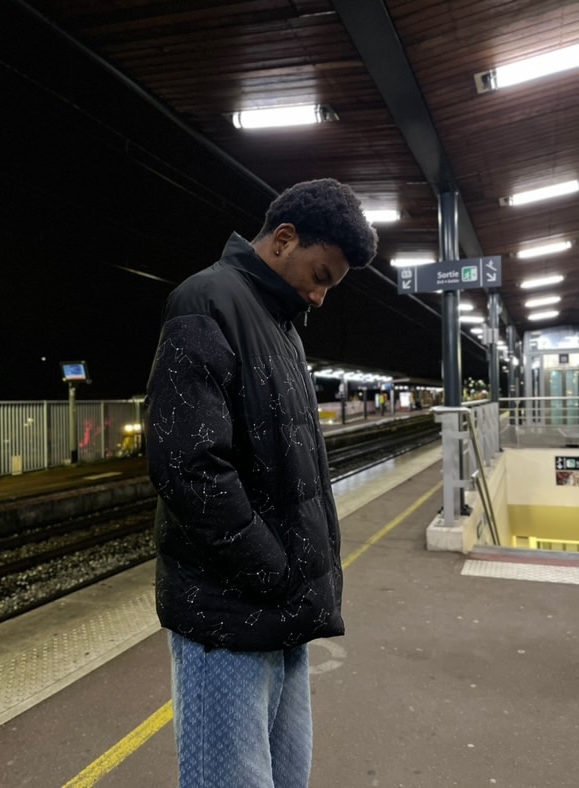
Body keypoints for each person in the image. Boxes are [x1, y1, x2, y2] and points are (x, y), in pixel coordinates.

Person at [144, 178, 378, 788]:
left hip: (283, 609)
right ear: (284, 239)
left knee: (286, 776)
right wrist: (273, 570)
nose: (320, 296)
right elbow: (189, 466)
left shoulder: (282, 325)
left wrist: (294, 582)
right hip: (227, 617)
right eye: (321, 276)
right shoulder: (206, 302)